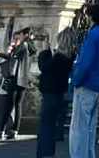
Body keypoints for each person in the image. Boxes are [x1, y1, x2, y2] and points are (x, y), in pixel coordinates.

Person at [69, 2, 99, 158]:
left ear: (91, 16)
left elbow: (85, 61)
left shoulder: (93, 34)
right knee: (89, 129)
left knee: (78, 129)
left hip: (86, 84)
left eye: (87, 15)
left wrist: (75, 80)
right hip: (97, 84)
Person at [36, 29, 76, 158]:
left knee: (46, 126)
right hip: (58, 91)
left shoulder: (60, 58)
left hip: (51, 92)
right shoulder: (69, 57)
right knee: (51, 124)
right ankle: (48, 151)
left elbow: (44, 66)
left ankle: (44, 152)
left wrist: (45, 51)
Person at [0, 30, 32, 139]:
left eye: (17, 38)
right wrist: (0, 53)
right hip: (22, 79)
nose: (14, 41)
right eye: (14, 39)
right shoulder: (26, 47)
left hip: (17, 79)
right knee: (16, 105)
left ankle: (4, 130)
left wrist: (8, 50)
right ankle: (12, 130)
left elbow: (13, 58)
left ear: (23, 37)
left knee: (10, 105)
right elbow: (13, 58)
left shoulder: (23, 46)